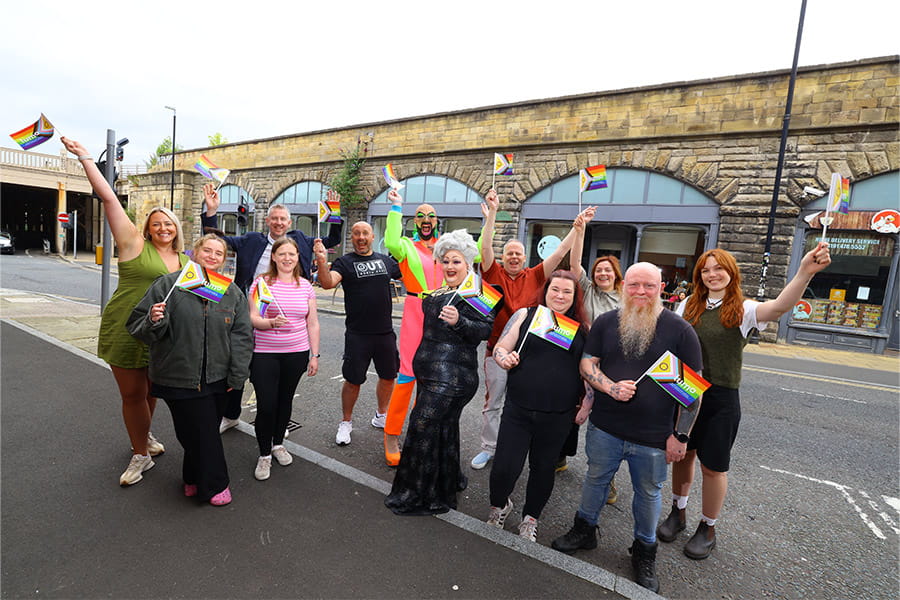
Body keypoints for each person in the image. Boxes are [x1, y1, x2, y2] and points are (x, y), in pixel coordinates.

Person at [657, 243, 831, 559]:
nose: (712, 274)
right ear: (699, 275)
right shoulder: (685, 307)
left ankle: (707, 527)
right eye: (706, 270)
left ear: (731, 272)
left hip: (722, 398)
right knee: (683, 456)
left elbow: (779, 307)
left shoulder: (744, 309)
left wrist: (805, 272)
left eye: (718, 268)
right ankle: (677, 512)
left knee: (714, 467)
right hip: (686, 391)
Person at [550, 262, 703, 593]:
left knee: (648, 496)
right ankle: (584, 530)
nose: (640, 293)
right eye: (634, 285)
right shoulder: (606, 323)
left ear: (660, 288)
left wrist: (680, 436)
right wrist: (609, 388)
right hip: (605, 427)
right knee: (595, 481)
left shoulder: (680, 331)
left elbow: (692, 394)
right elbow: (587, 364)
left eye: (649, 286)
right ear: (624, 287)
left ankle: (644, 551)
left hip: (653, 437)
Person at [61, 137, 188, 486]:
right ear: (147, 228)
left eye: (170, 224)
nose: (164, 228)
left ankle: (143, 435)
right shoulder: (133, 242)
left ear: (177, 229)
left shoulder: (186, 261)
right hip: (127, 327)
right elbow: (109, 197)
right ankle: (140, 455)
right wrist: (87, 158)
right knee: (132, 394)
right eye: (157, 223)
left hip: (163, 335)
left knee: (151, 392)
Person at [201, 184, 342, 434]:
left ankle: (276, 421)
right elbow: (218, 240)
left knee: (276, 372)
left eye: (283, 219)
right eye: (274, 219)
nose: (278, 223)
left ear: (289, 223)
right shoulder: (250, 240)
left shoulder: (300, 240)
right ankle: (231, 414)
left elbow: (332, 240)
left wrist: (334, 214)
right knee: (239, 363)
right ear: (267, 221)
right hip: (248, 309)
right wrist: (212, 211)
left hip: (285, 313)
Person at [127, 234, 253, 506]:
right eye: (207, 250)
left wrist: (238, 375)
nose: (212, 256)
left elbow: (242, 336)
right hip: (176, 376)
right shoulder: (167, 285)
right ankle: (217, 485)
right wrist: (153, 320)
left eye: (218, 253)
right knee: (199, 433)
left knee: (199, 432)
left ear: (223, 259)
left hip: (218, 378)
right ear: (194, 252)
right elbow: (137, 327)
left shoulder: (230, 292)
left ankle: (192, 479)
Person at [471, 194, 588, 470]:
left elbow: (560, 254)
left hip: (533, 355)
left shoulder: (535, 275)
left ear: (525, 257)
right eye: (509, 253)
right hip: (496, 351)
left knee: (524, 405)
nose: (513, 257)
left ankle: (518, 447)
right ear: (503, 257)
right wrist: (491, 217)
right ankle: (489, 448)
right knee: (494, 403)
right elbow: (485, 247)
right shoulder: (492, 272)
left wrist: (577, 228)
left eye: (518, 253)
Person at [384, 230, 495, 516]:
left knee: (421, 425)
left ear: (468, 263)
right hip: (429, 373)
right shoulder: (439, 291)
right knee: (443, 428)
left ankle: (418, 494)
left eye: (456, 261)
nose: (449, 266)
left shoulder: (476, 291)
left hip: (453, 377)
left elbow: (485, 330)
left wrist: (460, 322)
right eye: (445, 261)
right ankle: (446, 482)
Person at [486, 271, 589, 541]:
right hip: (519, 408)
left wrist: (587, 404)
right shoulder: (526, 315)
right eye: (555, 289)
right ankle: (499, 505)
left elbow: (587, 371)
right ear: (546, 290)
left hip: (558, 415)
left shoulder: (581, 330)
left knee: (543, 470)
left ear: (575, 297)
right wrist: (503, 357)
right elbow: (501, 346)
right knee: (504, 468)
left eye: (567, 292)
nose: (560, 296)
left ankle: (530, 518)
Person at [314, 222, 401, 446]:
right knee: (353, 381)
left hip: (385, 333)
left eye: (365, 233)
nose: (361, 237)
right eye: (356, 233)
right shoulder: (345, 262)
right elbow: (326, 283)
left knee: (389, 377)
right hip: (358, 335)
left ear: (373, 237)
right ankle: (346, 422)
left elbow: (410, 275)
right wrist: (322, 262)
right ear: (351, 237)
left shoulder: (386, 261)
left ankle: (381, 415)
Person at [247, 238, 320, 481]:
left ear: (298, 257)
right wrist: (269, 323)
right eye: (282, 254)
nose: (287, 258)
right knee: (266, 405)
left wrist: (315, 355)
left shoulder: (305, 286)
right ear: (274, 257)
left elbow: (312, 322)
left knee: (284, 401)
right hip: (265, 354)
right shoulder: (262, 283)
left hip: (296, 353)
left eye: (292, 254)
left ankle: (278, 444)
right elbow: (253, 318)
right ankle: (264, 454)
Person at [381, 189, 445, 466]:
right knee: (407, 375)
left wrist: (490, 217)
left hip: (443, 312)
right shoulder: (406, 245)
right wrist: (396, 207)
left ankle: (421, 434)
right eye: (420, 216)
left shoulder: (447, 245)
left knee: (434, 379)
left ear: (437, 221)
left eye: (430, 215)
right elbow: (391, 241)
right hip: (415, 310)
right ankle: (391, 435)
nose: (426, 219)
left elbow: (477, 255)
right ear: (415, 222)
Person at [565, 209, 623, 503]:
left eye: (607, 271)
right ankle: (559, 456)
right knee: (568, 408)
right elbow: (575, 262)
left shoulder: (625, 297)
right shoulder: (586, 288)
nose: (602, 274)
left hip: (610, 365)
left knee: (604, 426)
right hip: (582, 356)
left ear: (616, 275)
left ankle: (607, 479)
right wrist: (580, 229)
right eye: (599, 269)